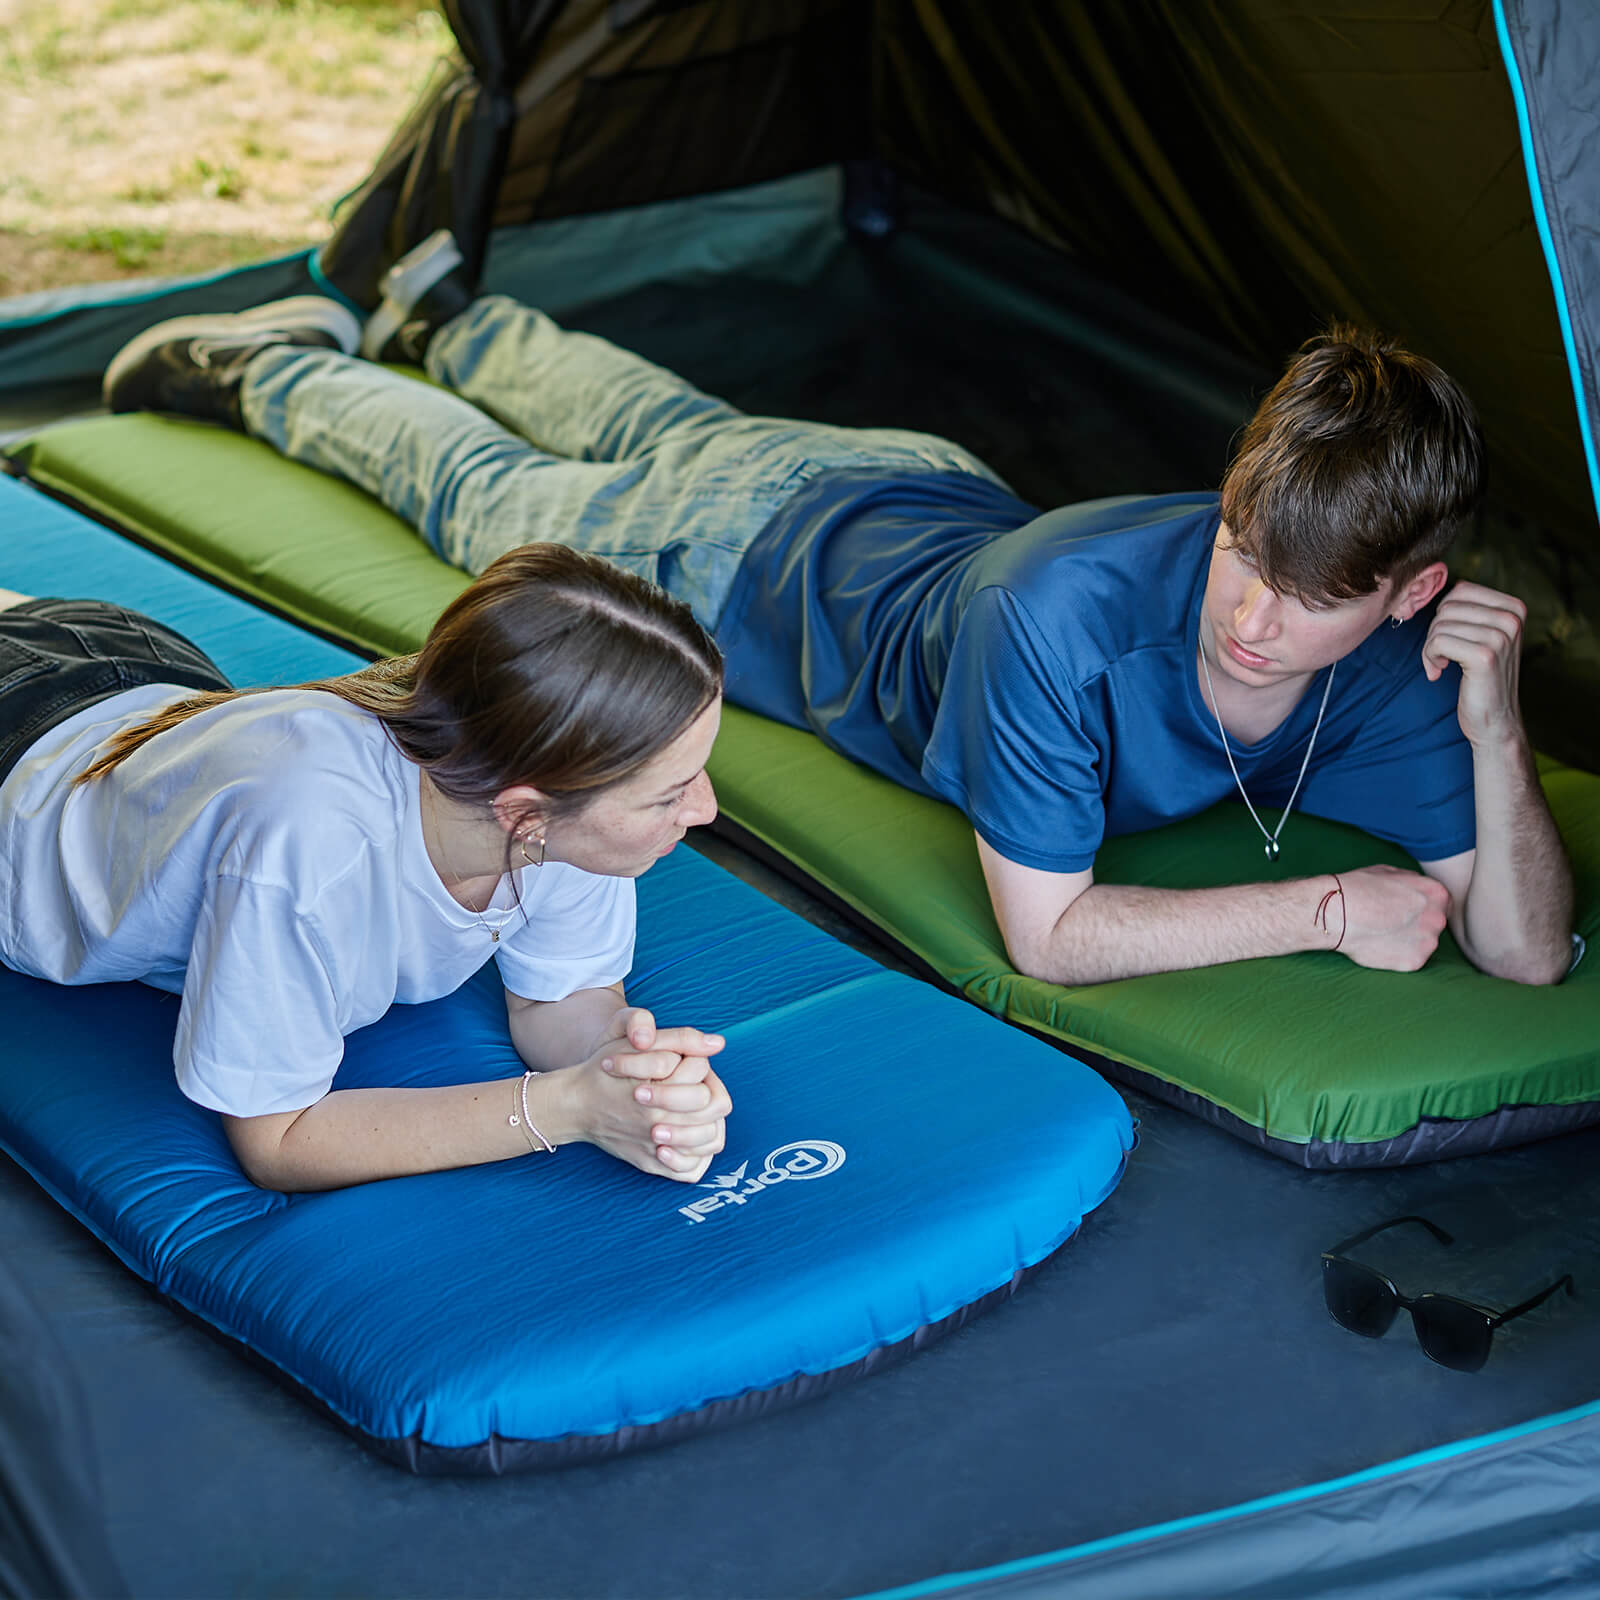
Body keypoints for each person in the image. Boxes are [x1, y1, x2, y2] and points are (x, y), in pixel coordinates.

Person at [100, 234, 1577, 990]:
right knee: (495, 492)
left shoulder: (1396, 671)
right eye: (1240, 551)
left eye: (1313, 596)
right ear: (1227, 496)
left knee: (669, 416)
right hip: (750, 554)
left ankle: (458, 313)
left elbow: (1522, 951)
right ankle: (273, 360)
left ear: (1414, 595)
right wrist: (1323, 910)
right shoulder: (1059, 619)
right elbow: (1049, 937)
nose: (1251, 616)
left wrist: (1497, 731)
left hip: (905, 491)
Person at [0, 543, 733, 1191]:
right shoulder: (306, 851)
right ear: (524, 812)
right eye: (670, 793)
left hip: (130, 666)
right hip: (28, 748)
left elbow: (562, 995)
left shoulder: (535, 781)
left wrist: (626, 1072)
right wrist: (566, 1109)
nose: (704, 810)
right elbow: (278, 1141)